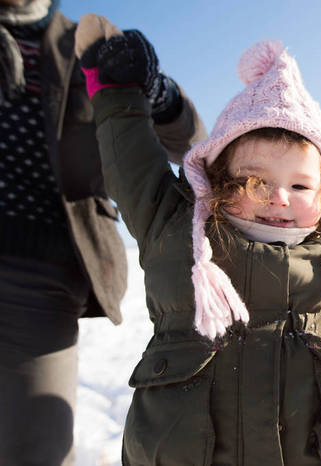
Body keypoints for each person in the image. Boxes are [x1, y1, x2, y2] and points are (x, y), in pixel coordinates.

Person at [75, 13, 321, 463]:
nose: (280, 199)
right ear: (218, 183)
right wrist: (116, 91)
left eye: (300, 185)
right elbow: (131, 162)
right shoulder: (176, 229)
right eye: (256, 181)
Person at [0, 1, 206, 465]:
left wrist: (155, 91)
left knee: (35, 452)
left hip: (38, 277)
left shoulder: (89, 46)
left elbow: (191, 145)